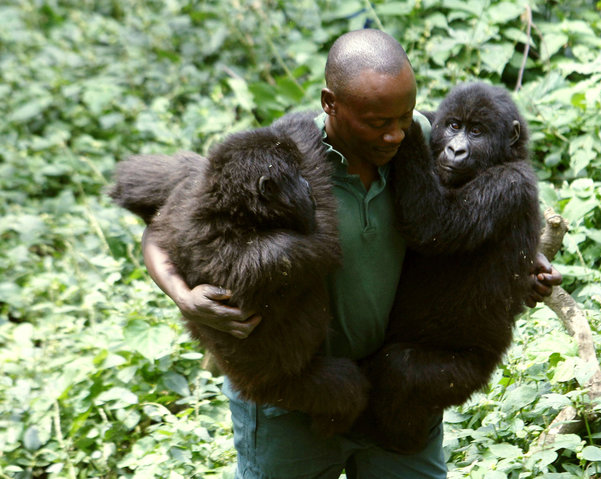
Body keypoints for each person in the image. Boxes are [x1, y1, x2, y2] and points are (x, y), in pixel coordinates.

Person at [141, 29, 561, 479]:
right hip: (297, 391)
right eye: (378, 122)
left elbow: (466, 217)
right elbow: (162, 230)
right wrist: (183, 295)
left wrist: (516, 259)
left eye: (405, 116)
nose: (394, 134)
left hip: (397, 385)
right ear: (330, 103)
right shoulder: (282, 158)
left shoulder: (421, 143)